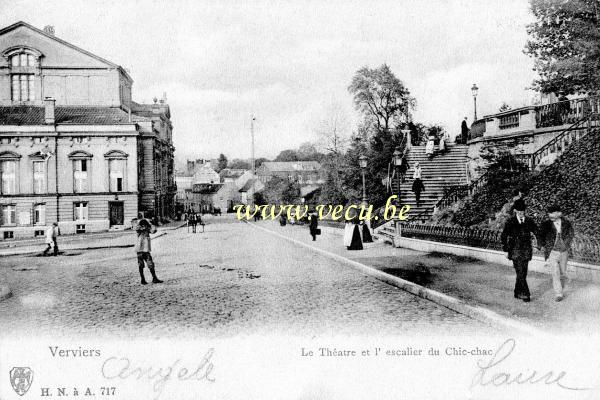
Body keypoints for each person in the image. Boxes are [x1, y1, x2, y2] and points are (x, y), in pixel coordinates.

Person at [500, 199, 537, 302]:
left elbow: (536, 231)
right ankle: (526, 294)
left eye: (523, 212)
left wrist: (540, 241)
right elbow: (504, 236)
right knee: (520, 272)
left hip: (526, 251)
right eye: (519, 212)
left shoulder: (529, 221)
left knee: (523, 273)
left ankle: (517, 292)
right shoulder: (510, 222)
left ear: (525, 211)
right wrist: (505, 250)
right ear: (515, 211)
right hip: (515, 251)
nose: (521, 214)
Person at [537, 204, 574, 302]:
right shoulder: (546, 224)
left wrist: (566, 244)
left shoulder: (566, 223)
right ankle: (559, 294)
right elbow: (540, 235)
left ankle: (561, 285)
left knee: (562, 272)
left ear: (559, 213)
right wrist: (540, 245)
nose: (550, 215)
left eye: (552, 213)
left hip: (564, 252)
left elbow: (571, 234)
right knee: (555, 273)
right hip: (552, 252)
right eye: (549, 213)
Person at [135, 218, 163, 285]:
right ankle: (149, 278)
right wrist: (149, 223)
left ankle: (147, 279)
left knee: (145, 265)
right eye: (143, 224)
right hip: (142, 250)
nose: (144, 226)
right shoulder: (143, 229)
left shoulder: (143, 229)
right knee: (146, 265)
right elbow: (153, 230)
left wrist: (149, 224)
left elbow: (153, 230)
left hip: (142, 250)